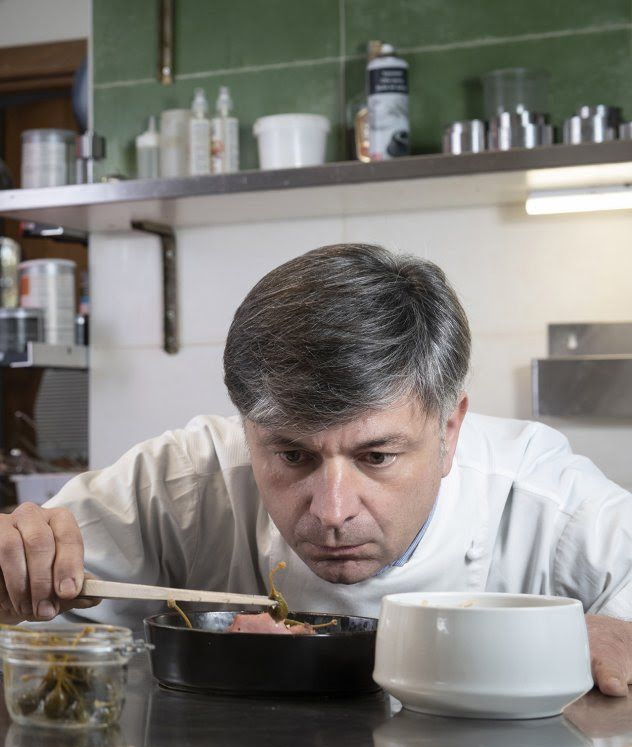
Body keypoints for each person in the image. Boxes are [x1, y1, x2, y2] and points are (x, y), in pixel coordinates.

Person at [0, 244, 631, 696]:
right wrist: (16, 565)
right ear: (246, 428)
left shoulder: (545, 501)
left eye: (377, 457)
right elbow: (34, 592)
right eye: (293, 455)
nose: (332, 513)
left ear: (449, 431)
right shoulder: (183, 483)